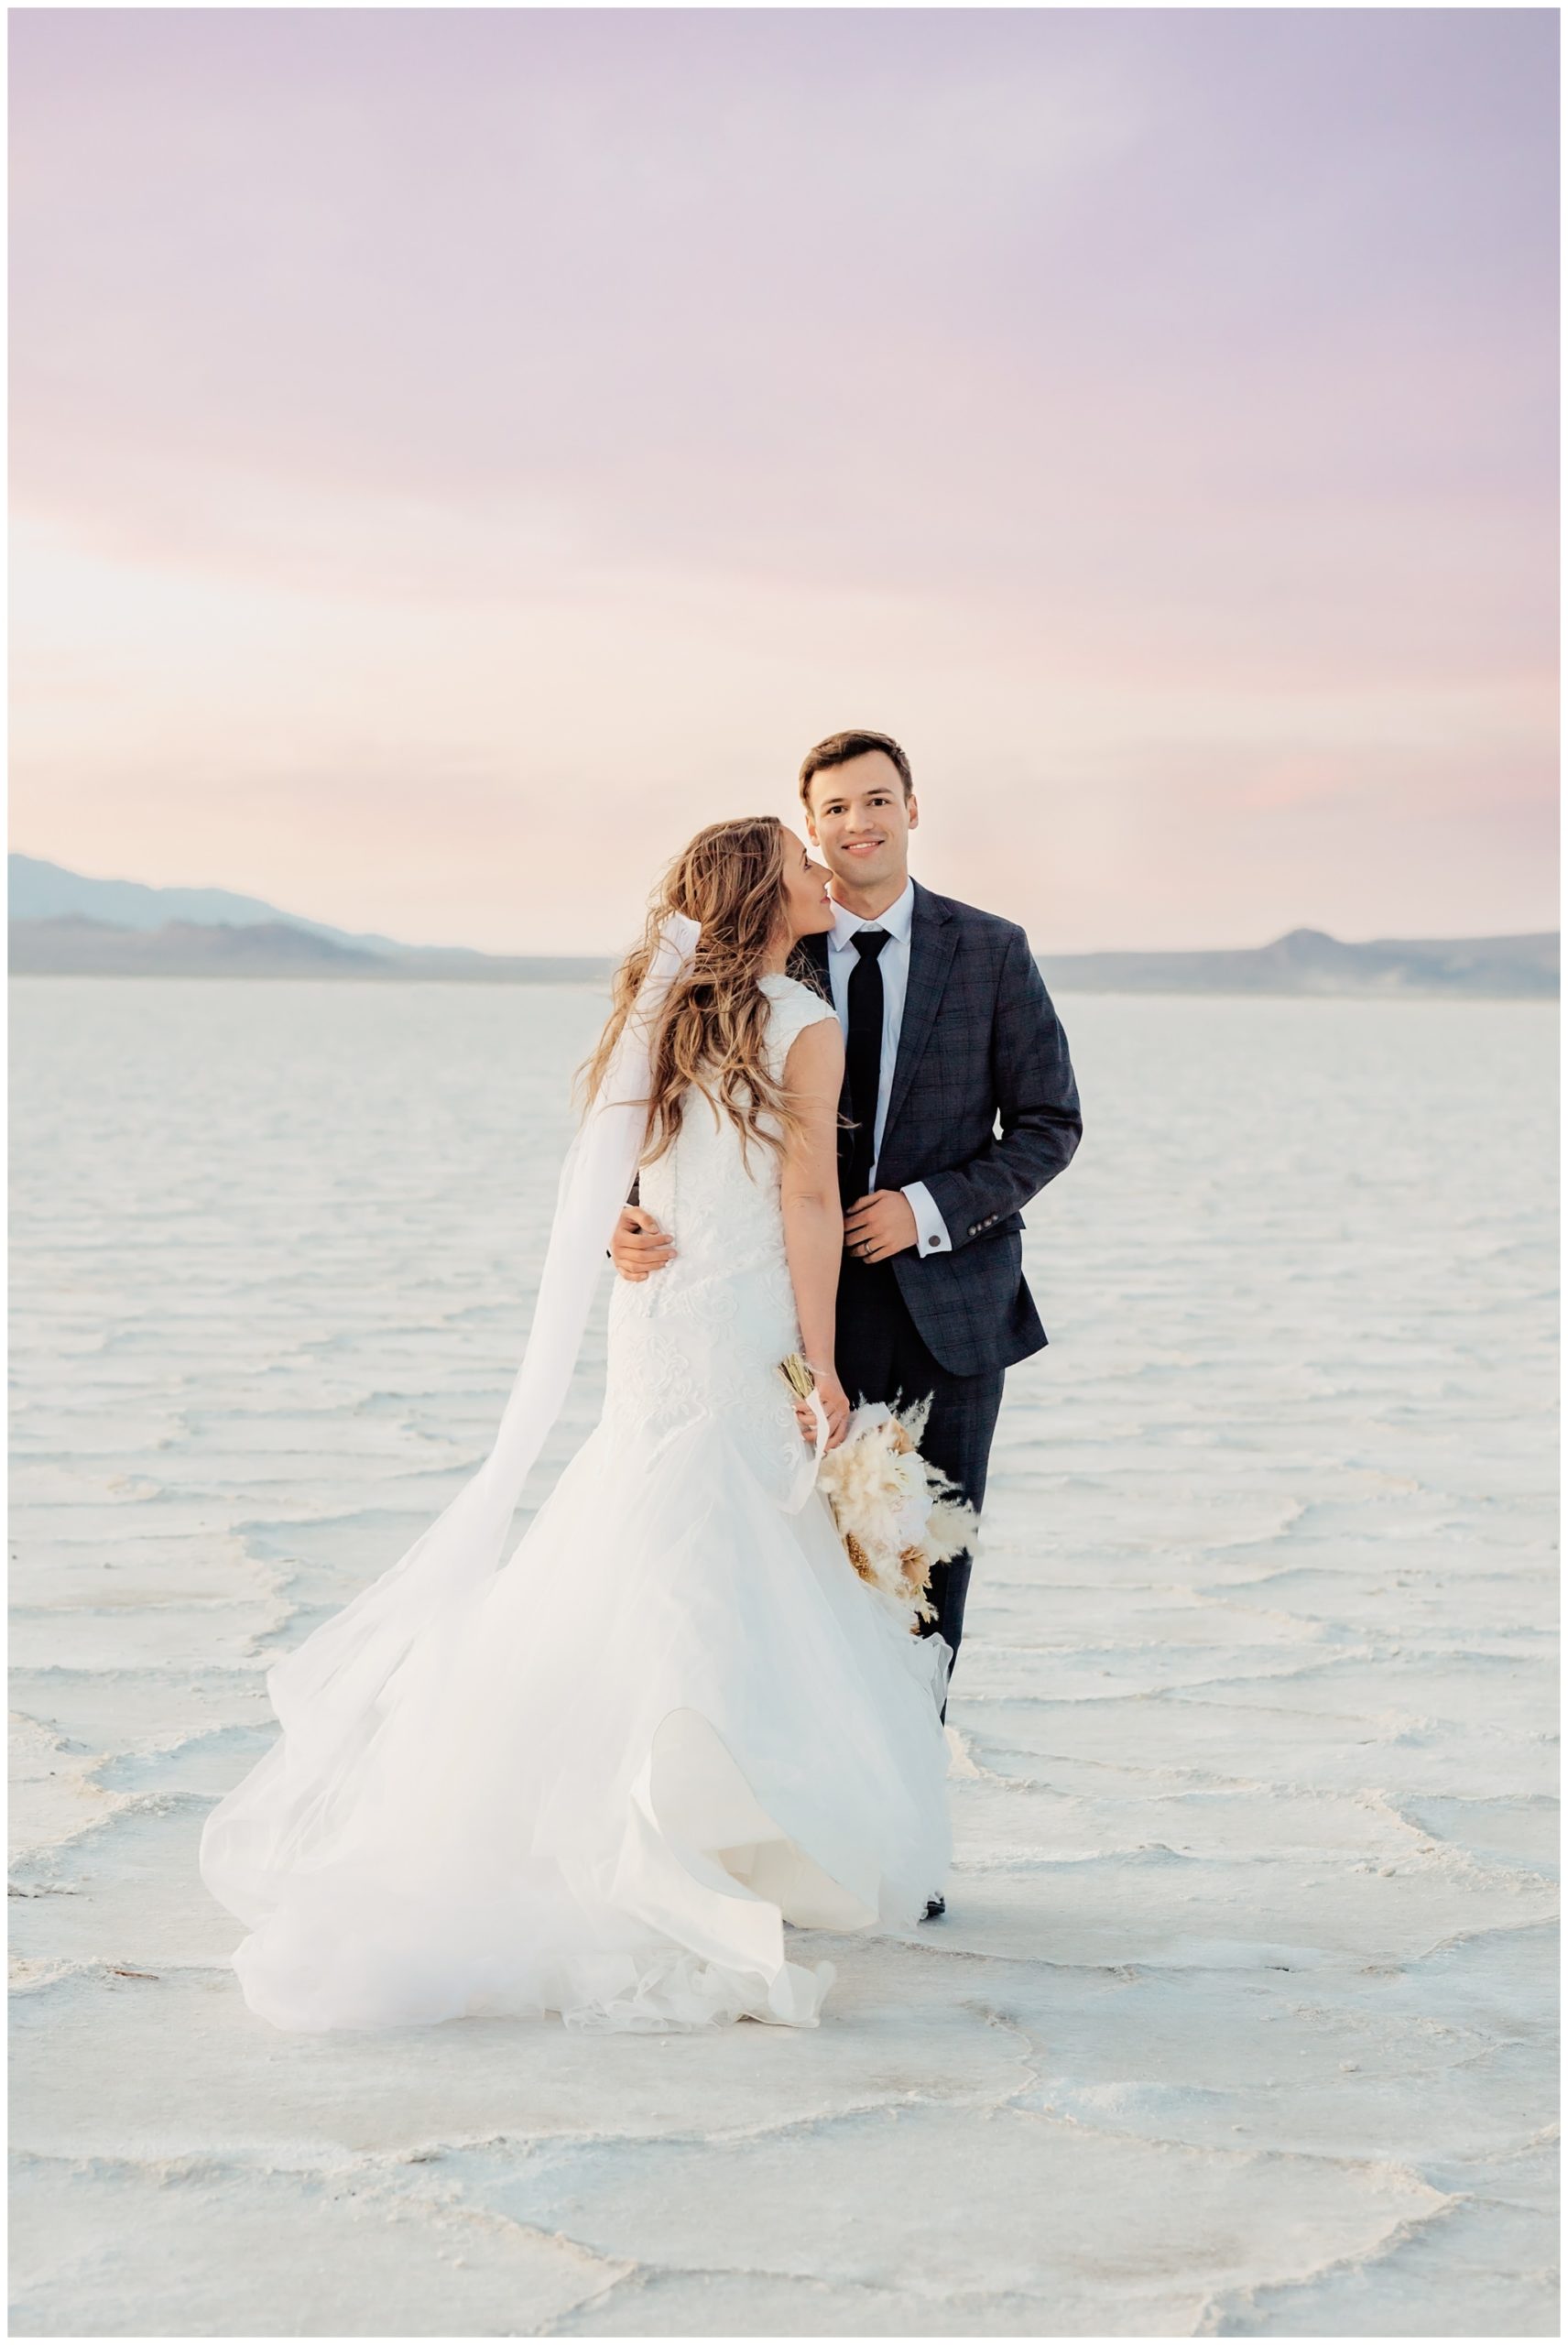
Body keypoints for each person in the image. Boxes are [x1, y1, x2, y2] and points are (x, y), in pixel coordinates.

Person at [199, 815, 952, 2034]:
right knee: (727, 1547)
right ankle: (692, 1834)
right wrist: (820, 1361)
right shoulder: (805, 1023)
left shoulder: (666, 1016)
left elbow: (621, 1169)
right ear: (767, 896)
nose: (827, 870)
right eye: (805, 865)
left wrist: (626, 1231)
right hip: (733, 1311)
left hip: (657, 1324)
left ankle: (665, 1821)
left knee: (656, 1534)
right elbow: (806, 1196)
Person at [613, 733, 1082, 1917]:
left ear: (913, 809)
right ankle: (779, 1831)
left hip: (945, 1320)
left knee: (915, 1586)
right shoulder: (765, 962)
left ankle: (893, 1851)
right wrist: (632, 1216)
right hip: (774, 1327)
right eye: (835, 808)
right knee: (781, 1589)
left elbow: (1049, 1124)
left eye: (879, 800)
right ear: (808, 829)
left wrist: (924, 1211)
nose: (858, 824)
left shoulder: (990, 952)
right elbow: (690, 1122)